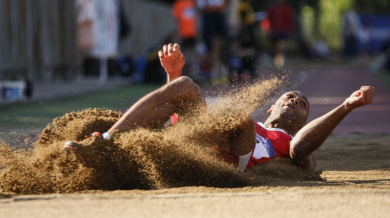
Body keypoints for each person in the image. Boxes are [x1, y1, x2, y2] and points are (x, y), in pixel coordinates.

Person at [64, 43, 375, 172]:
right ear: (270, 109)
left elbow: (302, 147)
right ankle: (104, 143)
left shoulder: (296, 146)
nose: (295, 100)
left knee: (236, 116)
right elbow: (184, 113)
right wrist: (171, 77)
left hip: (236, 157)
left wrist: (346, 106)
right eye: (290, 96)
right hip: (203, 140)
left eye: (303, 104)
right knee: (186, 84)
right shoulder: (256, 123)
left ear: (305, 121)